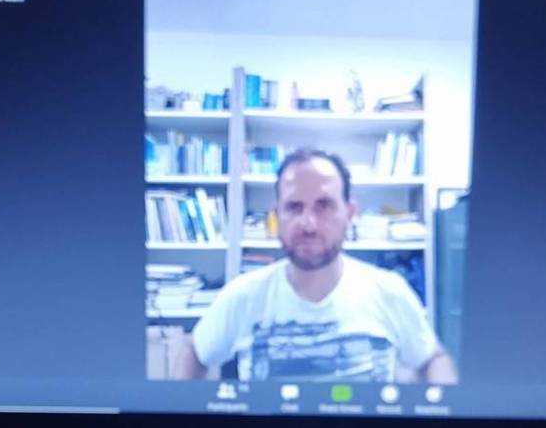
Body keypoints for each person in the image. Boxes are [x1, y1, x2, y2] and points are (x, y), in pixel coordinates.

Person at [175, 148, 459, 384]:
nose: (308, 223)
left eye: (323, 206)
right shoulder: (243, 295)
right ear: (277, 216)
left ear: (349, 213)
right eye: (294, 207)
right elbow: (194, 352)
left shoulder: (389, 291)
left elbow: (433, 359)